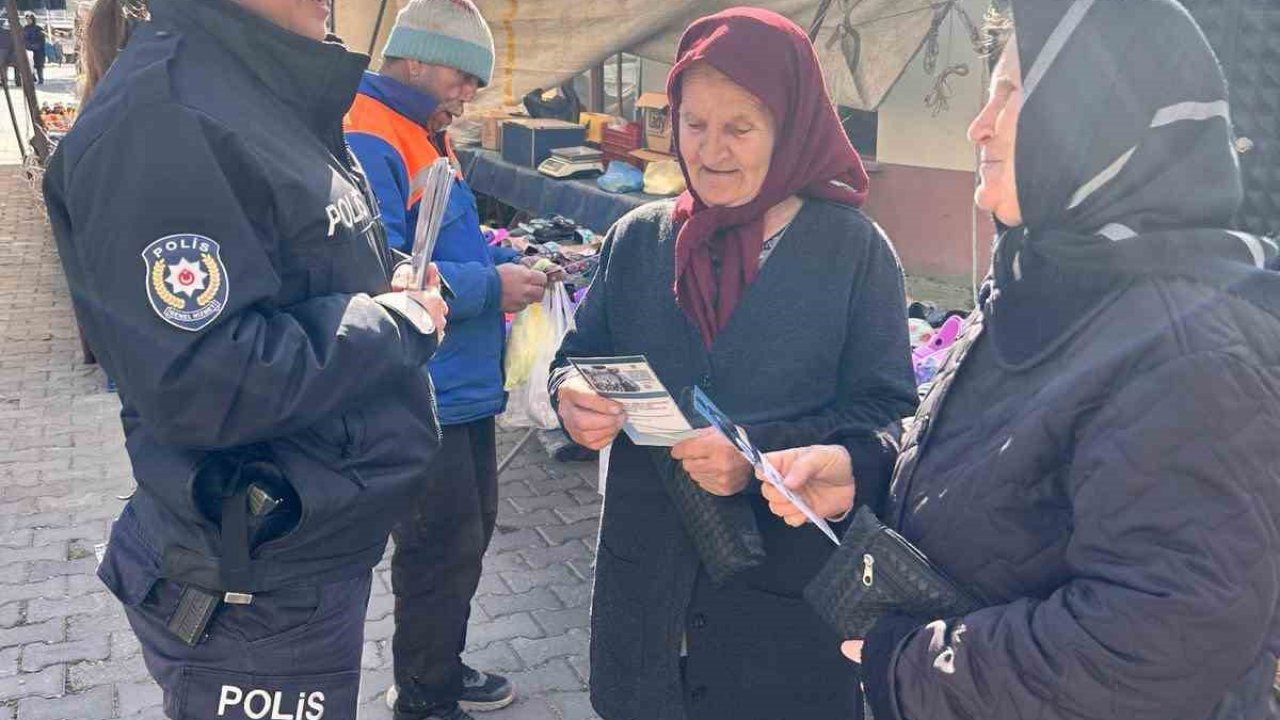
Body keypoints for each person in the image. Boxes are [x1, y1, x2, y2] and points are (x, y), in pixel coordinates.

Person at [761, 2, 1280, 719]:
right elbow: (1013, 474)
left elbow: (1162, 639)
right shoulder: (1050, 283)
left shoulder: (1184, 352)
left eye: (1011, 94)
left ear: (1098, 117)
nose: (980, 123)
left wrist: (917, 665)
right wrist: (867, 471)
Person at [41, 0, 451, 714]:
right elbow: (202, 376)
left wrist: (386, 293)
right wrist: (396, 324)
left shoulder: (261, 83)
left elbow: (298, 276)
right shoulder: (166, 117)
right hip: (255, 585)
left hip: (304, 552)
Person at [550, 8, 917, 720]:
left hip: (783, 615)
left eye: (740, 128)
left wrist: (763, 455)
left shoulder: (853, 253)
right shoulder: (639, 241)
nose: (711, 150)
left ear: (791, 126)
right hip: (647, 599)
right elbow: (580, 356)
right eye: (694, 124)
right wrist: (571, 394)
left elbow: (890, 422)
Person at [343, 2, 558, 718]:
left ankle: (441, 664)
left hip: (464, 383)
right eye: (462, 77)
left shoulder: (426, 132)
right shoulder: (371, 134)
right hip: (421, 385)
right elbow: (384, 272)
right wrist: (490, 286)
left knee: (466, 539)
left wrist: (503, 255)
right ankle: (424, 699)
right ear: (414, 58)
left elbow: (445, 241)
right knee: (438, 549)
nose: (468, 93)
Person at [22, 13, 44, 84]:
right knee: (29, 64)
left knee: (39, 65)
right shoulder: (25, 28)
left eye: (29, 19)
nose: (28, 21)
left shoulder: (38, 28)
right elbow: (23, 39)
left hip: (38, 49)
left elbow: (42, 40)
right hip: (28, 48)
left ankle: (41, 79)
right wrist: (28, 45)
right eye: (27, 19)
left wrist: (37, 46)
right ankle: (32, 77)